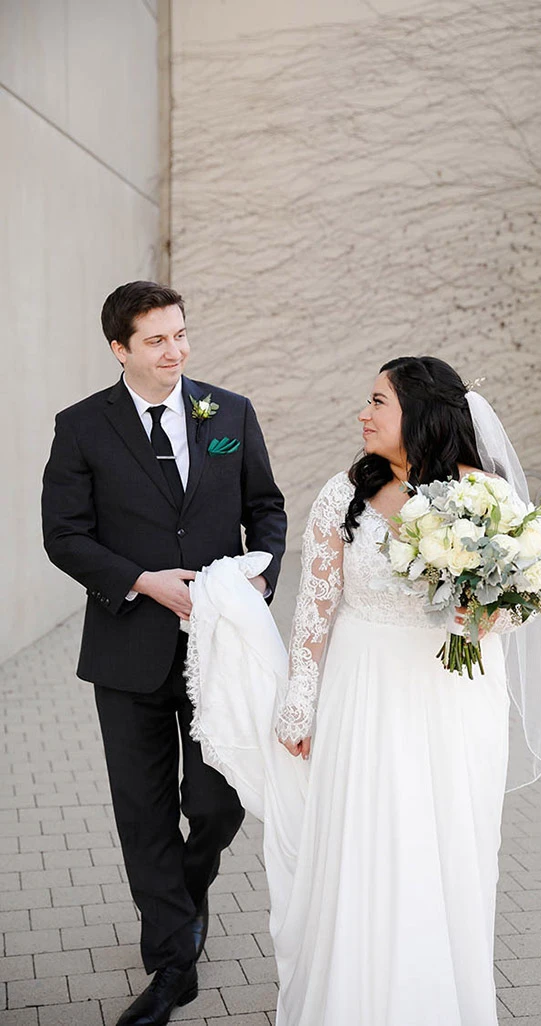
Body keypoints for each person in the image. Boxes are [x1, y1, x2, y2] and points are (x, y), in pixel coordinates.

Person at [272, 356, 541, 1026]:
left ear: (420, 414)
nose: (362, 414)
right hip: (365, 693)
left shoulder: (485, 495)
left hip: (457, 700)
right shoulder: (344, 495)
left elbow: (528, 594)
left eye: (377, 402)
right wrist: (299, 698)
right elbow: (315, 609)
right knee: (369, 849)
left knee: (450, 850)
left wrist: (487, 612)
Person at [41, 281, 287, 1026]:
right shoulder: (81, 427)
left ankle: (183, 890)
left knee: (217, 799)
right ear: (120, 348)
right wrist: (141, 581)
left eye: (180, 334)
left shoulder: (229, 412)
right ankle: (173, 967)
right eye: (155, 340)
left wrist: (259, 576)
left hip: (221, 648)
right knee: (142, 812)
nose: (174, 350)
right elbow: (65, 535)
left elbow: (267, 510)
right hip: (127, 649)